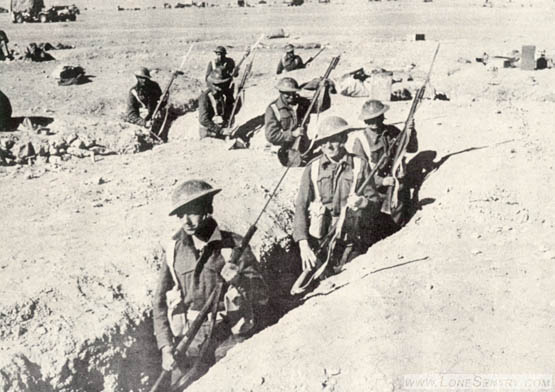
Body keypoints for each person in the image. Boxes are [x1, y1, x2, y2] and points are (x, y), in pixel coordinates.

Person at [153, 179, 269, 390]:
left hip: (229, 337)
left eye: (192, 212)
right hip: (189, 341)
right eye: (181, 215)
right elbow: (159, 303)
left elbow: (262, 295)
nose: (186, 221)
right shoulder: (173, 250)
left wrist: (238, 280)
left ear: (208, 208)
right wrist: (165, 347)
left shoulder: (233, 246)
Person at [292, 116, 379, 291]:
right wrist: (302, 243)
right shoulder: (312, 168)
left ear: (343, 139)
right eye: (324, 142)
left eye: (333, 140)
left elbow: (375, 203)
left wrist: (363, 202)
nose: (328, 146)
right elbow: (301, 205)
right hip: (320, 242)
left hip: (350, 241)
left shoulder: (359, 165)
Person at [346, 99, 418, 229]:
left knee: (396, 217)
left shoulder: (392, 132)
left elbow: (412, 148)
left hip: (395, 185)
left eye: (377, 118)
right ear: (365, 121)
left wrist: (410, 132)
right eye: (370, 120)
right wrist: (382, 181)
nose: (374, 123)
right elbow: (359, 172)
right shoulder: (361, 141)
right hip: (373, 188)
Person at [264, 77, 331, 165]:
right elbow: (271, 135)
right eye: (287, 94)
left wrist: (323, 89)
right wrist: (292, 134)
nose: (291, 96)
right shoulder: (273, 108)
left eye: (293, 92)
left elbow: (322, 107)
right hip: (284, 150)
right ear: (280, 92)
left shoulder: (301, 103)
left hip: (303, 146)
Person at [198, 68, 241, 139]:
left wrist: (237, 97)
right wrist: (220, 131)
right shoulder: (205, 97)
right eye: (217, 85)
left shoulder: (223, 94)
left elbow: (232, 110)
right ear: (212, 84)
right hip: (209, 132)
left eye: (222, 84)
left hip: (222, 129)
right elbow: (203, 120)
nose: (220, 87)